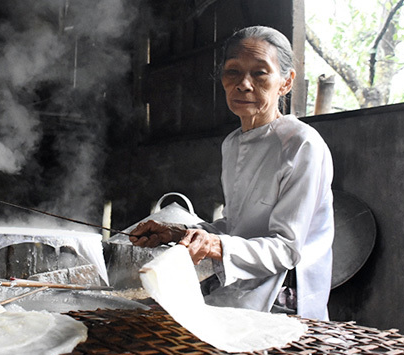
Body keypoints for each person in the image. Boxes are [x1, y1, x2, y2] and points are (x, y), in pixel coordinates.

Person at [129, 25, 334, 321]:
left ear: (286, 82)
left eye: (260, 73)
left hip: (285, 298)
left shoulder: (302, 144)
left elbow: (286, 250)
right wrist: (179, 233)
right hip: (240, 285)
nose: (244, 84)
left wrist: (213, 245)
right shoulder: (233, 143)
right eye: (233, 71)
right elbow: (240, 228)